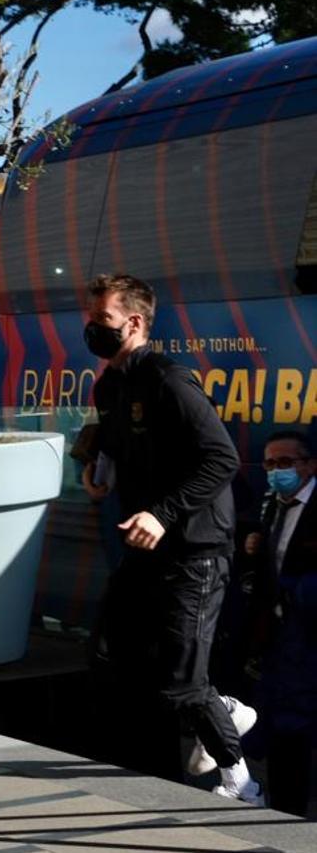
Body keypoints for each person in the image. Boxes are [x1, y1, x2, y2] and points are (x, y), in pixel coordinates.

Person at [82, 273, 261, 804]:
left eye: (102, 321)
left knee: (182, 679)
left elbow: (222, 458)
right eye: (90, 320)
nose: (91, 329)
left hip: (196, 547)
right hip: (145, 548)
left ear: (134, 323)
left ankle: (241, 781)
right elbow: (113, 442)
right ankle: (214, 718)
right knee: (114, 650)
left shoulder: (168, 379)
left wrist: (161, 514)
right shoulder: (110, 385)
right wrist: (96, 467)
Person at [247, 431, 317, 816]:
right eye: (270, 464)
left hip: (308, 631)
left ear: (309, 465)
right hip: (278, 634)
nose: (277, 471)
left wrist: (298, 591)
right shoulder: (272, 503)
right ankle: (283, 806)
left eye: (286, 463)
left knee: (295, 722)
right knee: (281, 721)